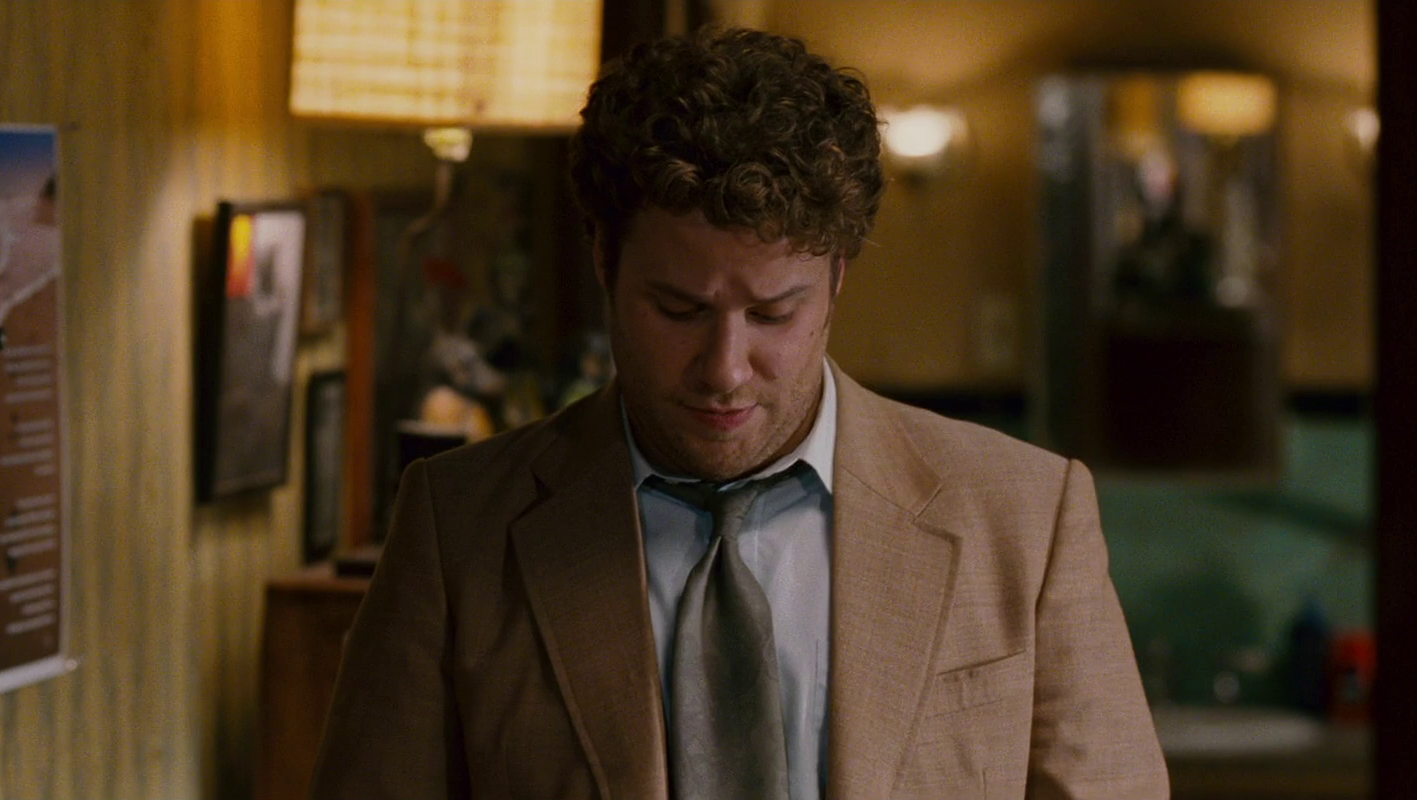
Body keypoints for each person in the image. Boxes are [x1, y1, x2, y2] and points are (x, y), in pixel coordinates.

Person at [311, 26, 1167, 800]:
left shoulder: (1025, 518)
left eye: (772, 314)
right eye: (678, 310)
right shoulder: (457, 528)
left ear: (836, 278)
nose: (724, 370)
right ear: (605, 262)